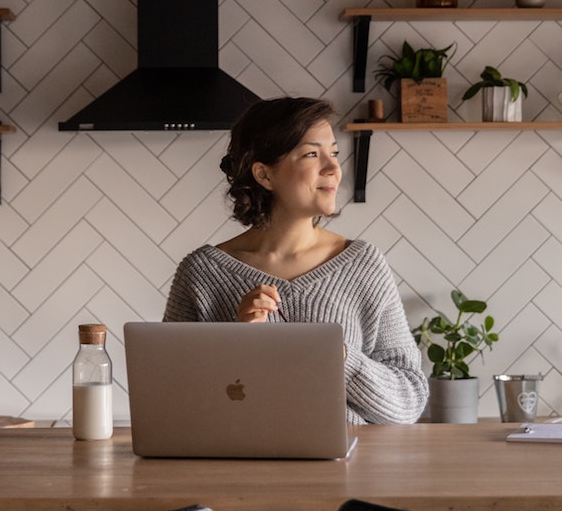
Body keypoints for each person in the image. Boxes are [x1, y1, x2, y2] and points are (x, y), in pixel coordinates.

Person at [164, 96, 428, 425]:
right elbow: (170, 403)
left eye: (333, 152)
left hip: (349, 472)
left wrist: (339, 356)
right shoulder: (201, 274)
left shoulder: (363, 264)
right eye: (312, 154)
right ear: (264, 174)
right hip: (236, 471)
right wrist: (237, 344)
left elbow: (409, 400)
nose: (333, 168)